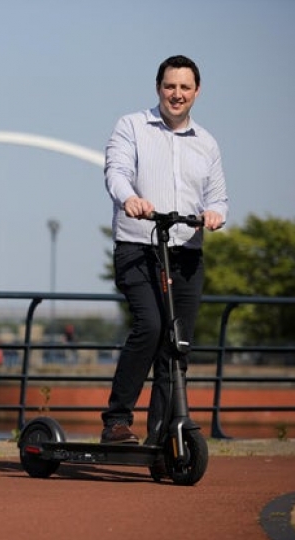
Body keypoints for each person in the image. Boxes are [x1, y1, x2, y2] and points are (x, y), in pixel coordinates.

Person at [101, 55, 228, 446]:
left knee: (177, 344)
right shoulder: (132, 126)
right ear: (159, 87)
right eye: (170, 86)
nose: (177, 94)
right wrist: (129, 199)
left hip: (186, 254)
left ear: (197, 92)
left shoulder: (206, 143)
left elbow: (220, 199)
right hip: (139, 247)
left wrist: (214, 214)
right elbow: (116, 171)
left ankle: (162, 435)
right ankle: (117, 421)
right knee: (152, 326)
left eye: (185, 87)